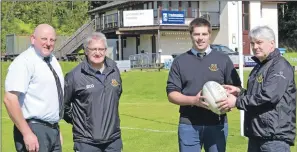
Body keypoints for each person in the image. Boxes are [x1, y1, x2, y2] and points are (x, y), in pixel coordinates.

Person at [166, 17, 242, 152]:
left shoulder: (223, 59)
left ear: (209, 36)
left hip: (217, 124)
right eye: (196, 34)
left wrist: (230, 101)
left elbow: (237, 89)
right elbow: (172, 94)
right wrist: (194, 101)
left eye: (204, 34)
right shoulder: (180, 61)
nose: (200, 38)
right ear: (191, 35)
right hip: (189, 124)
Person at [217, 26, 296, 152]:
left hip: (273, 138)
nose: (255, 47)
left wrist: (236, 102)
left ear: (272, 43)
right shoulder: (260, 66)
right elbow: (256, 94)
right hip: (257, 134)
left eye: (259, 42)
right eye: (252, 43)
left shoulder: (279, 66)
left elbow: (269, 97)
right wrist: (239, 92)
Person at [4, 24, 63, 152]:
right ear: (33, 39)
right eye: (44, 39)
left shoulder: (52, 60)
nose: (48, 43)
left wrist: (56, 130)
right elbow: (10, 99)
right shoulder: (24, 62)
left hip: (52, 130)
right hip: (34, 129)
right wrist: (27, 133)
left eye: (52, 40)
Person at [63, 32, 123, 152]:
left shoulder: (114, 69)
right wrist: (78, 120)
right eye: (93, 49)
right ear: (86, 51)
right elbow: (63, 105)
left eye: (101, 49)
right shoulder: (75, 76)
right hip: (86, 142)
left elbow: (117, 94)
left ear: (106, 50)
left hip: (113, 141)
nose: (98, 52)